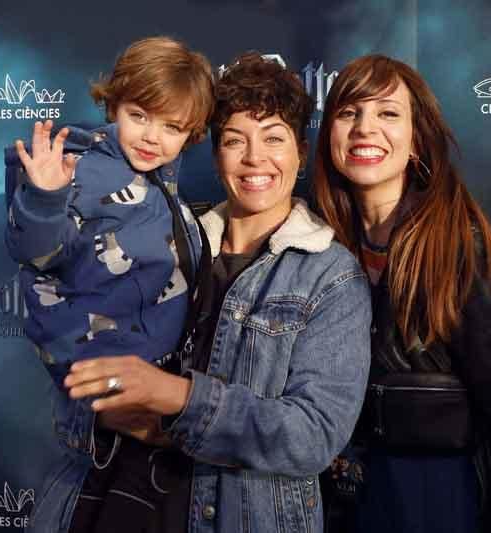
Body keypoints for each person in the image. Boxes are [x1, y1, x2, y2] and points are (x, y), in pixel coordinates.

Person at [62, 53, 372, 533]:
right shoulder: (164, 241)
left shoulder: (331, 275)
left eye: (273, 139)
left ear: (301, 152)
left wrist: (179, 399)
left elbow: (313, 437)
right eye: (234, 141)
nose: (254, 159)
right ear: (215, 155)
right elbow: (81, 351)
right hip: (119, 504)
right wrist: (101, 410)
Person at [313, 54, 491, 532]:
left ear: (417, 139)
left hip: (436, 502)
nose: (365, 128)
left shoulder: (458, 251)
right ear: (329, 135)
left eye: (387, 113)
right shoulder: (315, 243)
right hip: (341, 507)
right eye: (349, 113)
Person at [3, 37, 213, 533]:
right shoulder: (84, 169)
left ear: (191, 134)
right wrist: (45, 198)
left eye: (172, 127)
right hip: (105, 396)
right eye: (140, 115)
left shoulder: (162, 181)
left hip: (150, 391)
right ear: (113, 104)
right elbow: (38, 250)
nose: (152, 137)